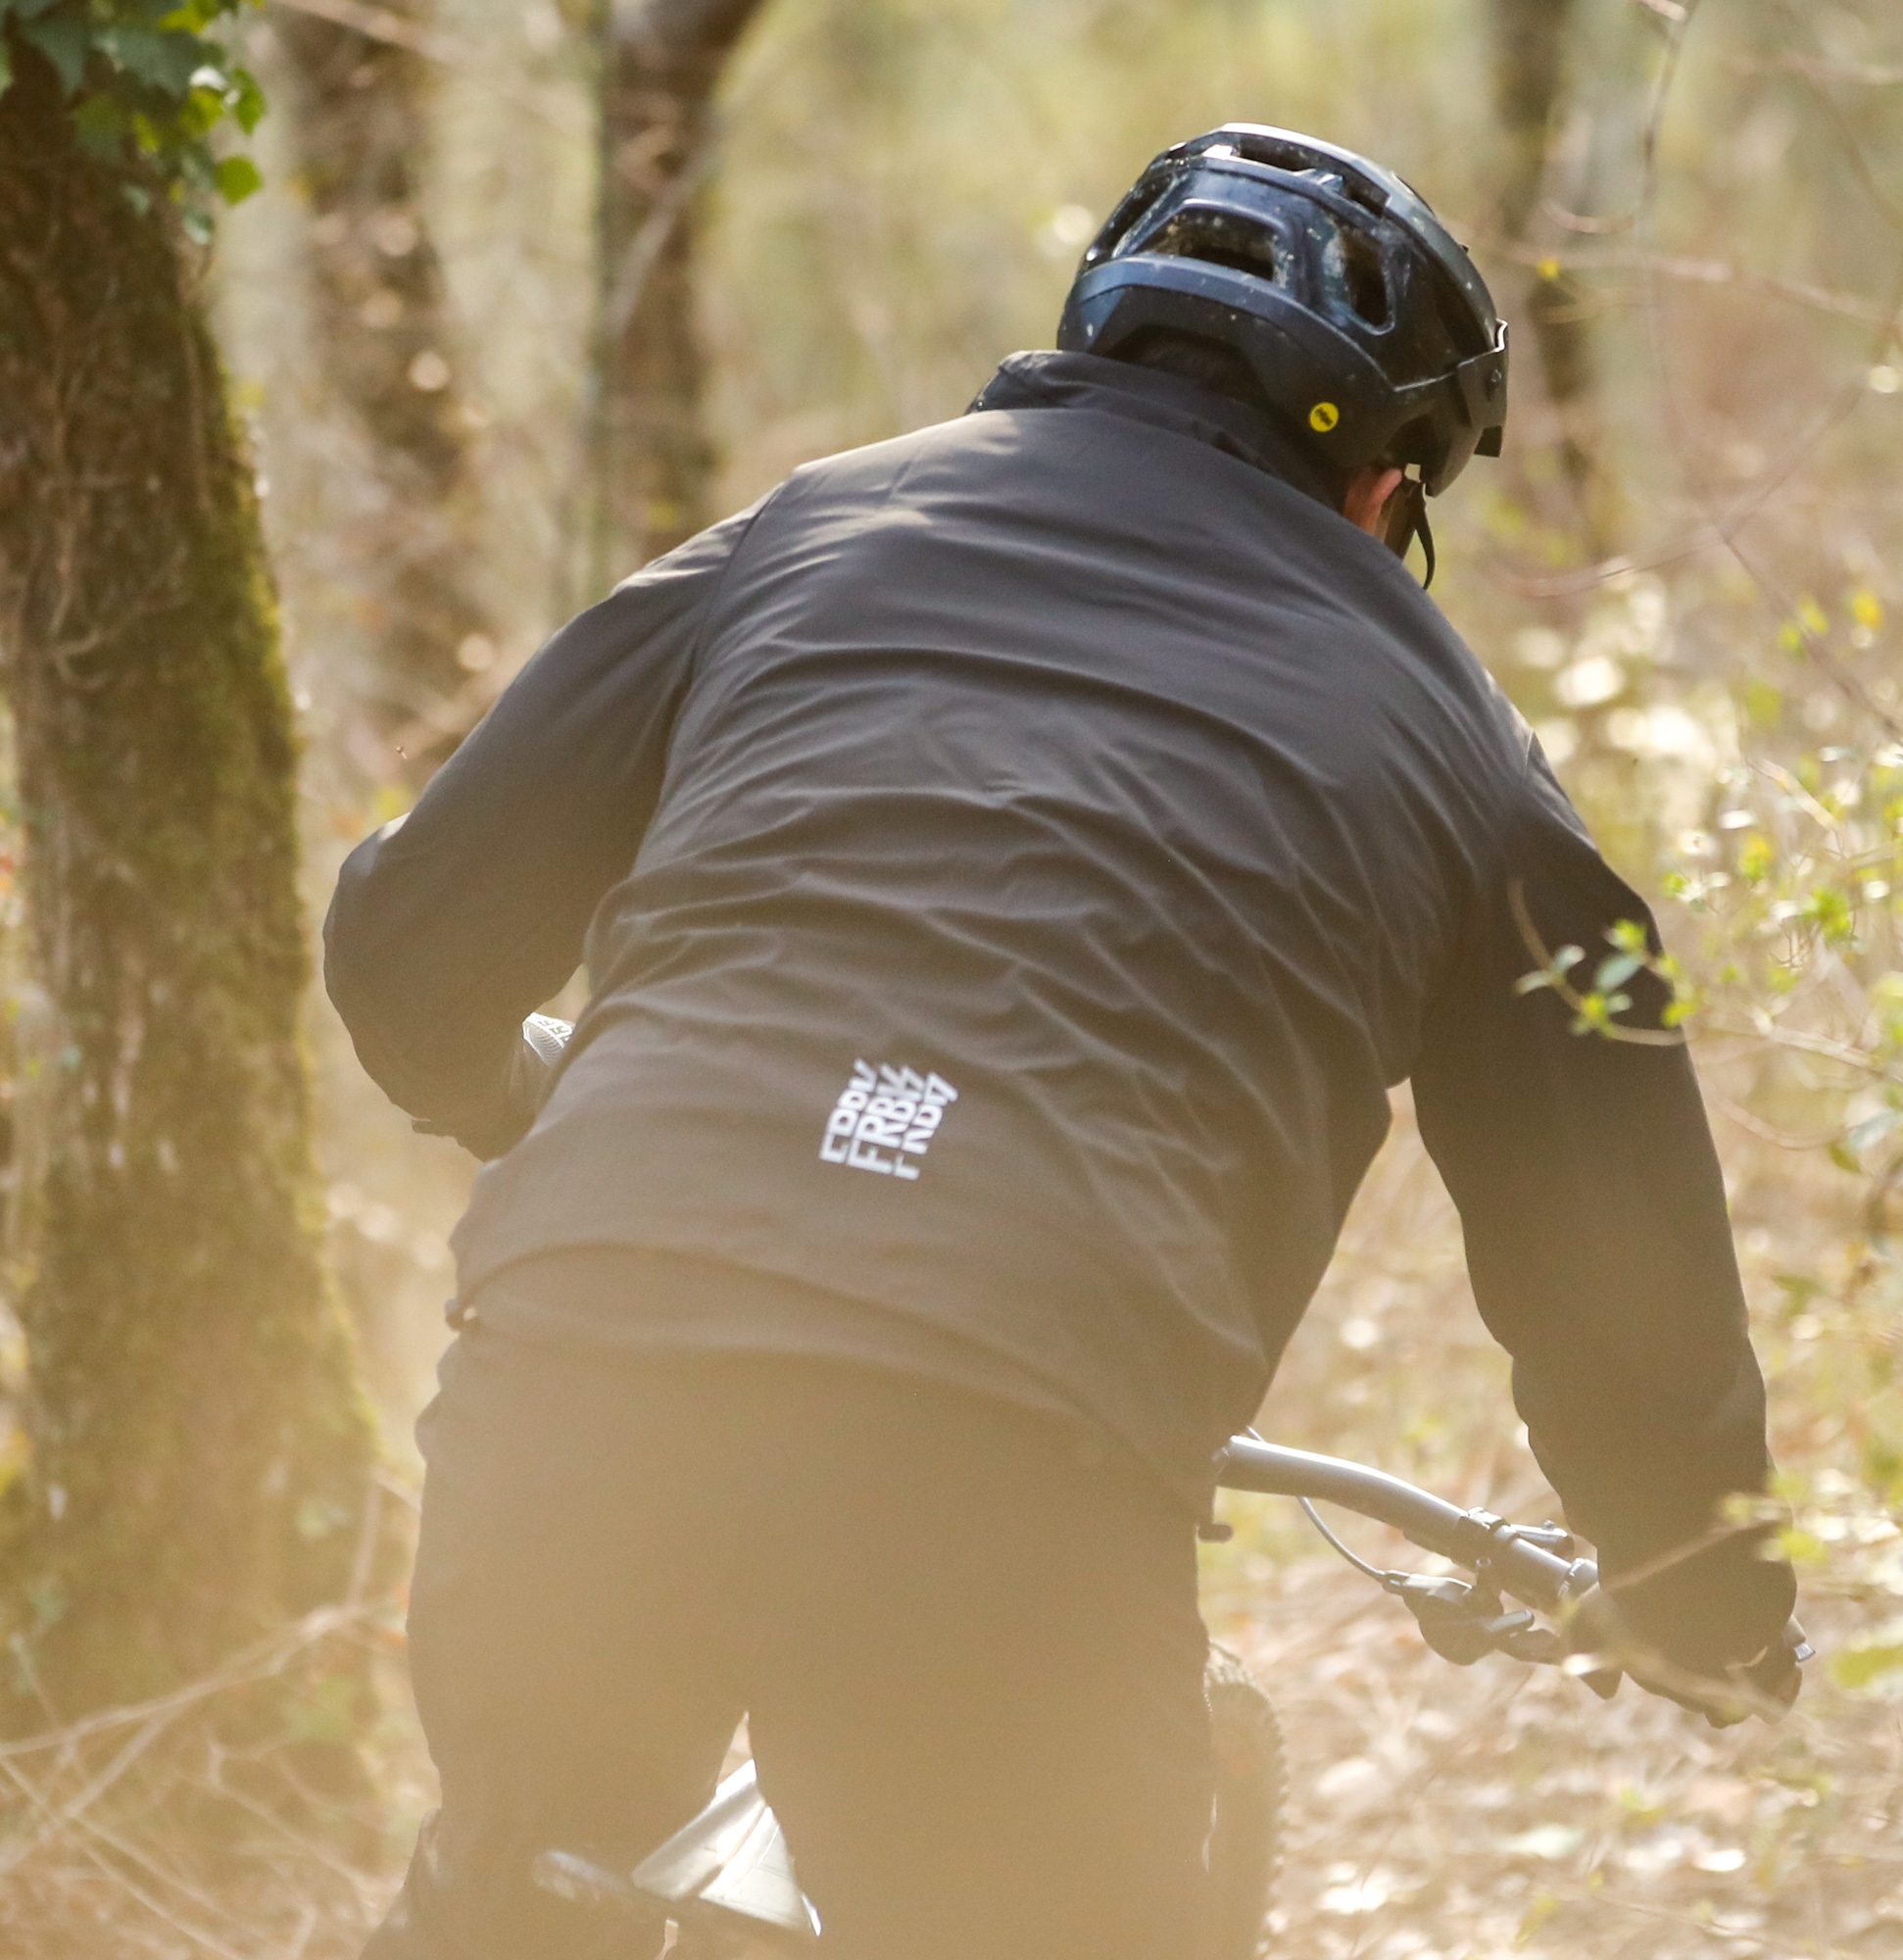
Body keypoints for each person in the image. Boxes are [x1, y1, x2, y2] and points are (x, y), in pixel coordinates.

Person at [327, 124, 1798, 1960]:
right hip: (1009, 1461)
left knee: (511, 1893)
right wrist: (1699, 1593)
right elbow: (1617, 1270)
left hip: (577, 1375)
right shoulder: (1454, 738)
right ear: (1382, 485)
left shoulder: (815, 526)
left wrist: (516, 1096)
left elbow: (408, 949)